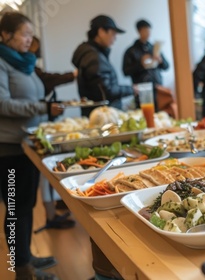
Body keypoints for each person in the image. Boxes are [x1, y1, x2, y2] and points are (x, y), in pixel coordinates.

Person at [0, 12, 62, 280]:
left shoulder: (23, 63)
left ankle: (27, 258)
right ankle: (21, 269)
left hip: (27, 145)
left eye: (30, 34)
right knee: (15, 208)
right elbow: (2, 104)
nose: (30, 39)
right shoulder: (1, 63)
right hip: (9, 148)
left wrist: (49, 109)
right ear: (5, 35)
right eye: (24, 34)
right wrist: (42, 107)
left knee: (25, 206)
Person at [29, 36, 76, 231]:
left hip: (38, 124)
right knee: (44, 175)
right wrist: (72, 75)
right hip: (32, 128)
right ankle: (50, 216)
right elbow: (48, 79)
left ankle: (51, 212)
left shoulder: (29, 68)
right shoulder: (29, 70)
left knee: (44, 175)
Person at [72, 15, 136, 117]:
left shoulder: (93, 54)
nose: (114, 39)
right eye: (113, 34)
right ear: (101, 32)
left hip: (99, 116)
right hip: (103, 118)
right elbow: (107, 91)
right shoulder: (94, 57)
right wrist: (132, 89)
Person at [123, 19, 170, 112]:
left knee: (160, 115)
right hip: (142, 90)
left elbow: (166, 66)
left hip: (157, 88)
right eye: (145, 30)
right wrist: (140, 64)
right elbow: (126, 71)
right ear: (139, 31)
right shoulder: (131, 51)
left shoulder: (154, 48)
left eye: (149, 30)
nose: (148, 33)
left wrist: (160, 61)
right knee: (145, 114)